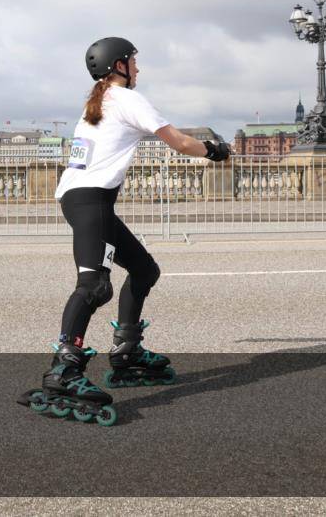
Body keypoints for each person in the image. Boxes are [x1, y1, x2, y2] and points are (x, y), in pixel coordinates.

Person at [35, 37, 231, 420]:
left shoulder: (100, 101)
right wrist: (214, 150)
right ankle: (64, 368)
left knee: (144, 270)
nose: (138, 69)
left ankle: (127, 348)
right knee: (93, 285)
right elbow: (177, 141)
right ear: (119, 66)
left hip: (87, 199)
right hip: (89, 200)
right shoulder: (126, 99)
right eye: (134, 62)